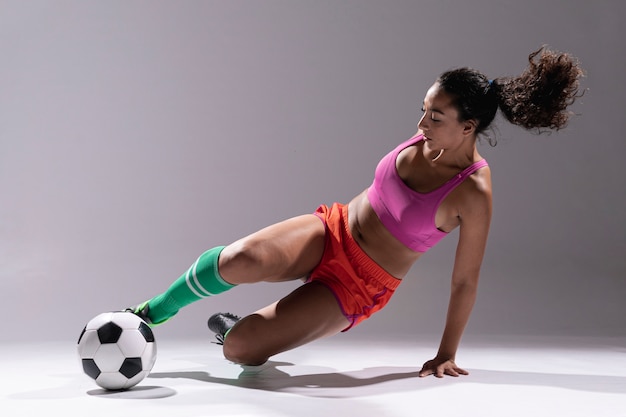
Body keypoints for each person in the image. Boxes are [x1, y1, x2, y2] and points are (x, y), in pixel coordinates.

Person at [127, 46, 584, 378]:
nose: (422, 124)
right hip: (333, 230)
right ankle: (154, 310)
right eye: (423, 110)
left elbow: (465, 280)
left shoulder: (475, 192)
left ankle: (235, 330)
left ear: (468, 128)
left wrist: (446, 352)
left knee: (241, 351)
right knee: (240, 260)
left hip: (359, 284)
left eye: (436, 118)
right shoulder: (426, 137)